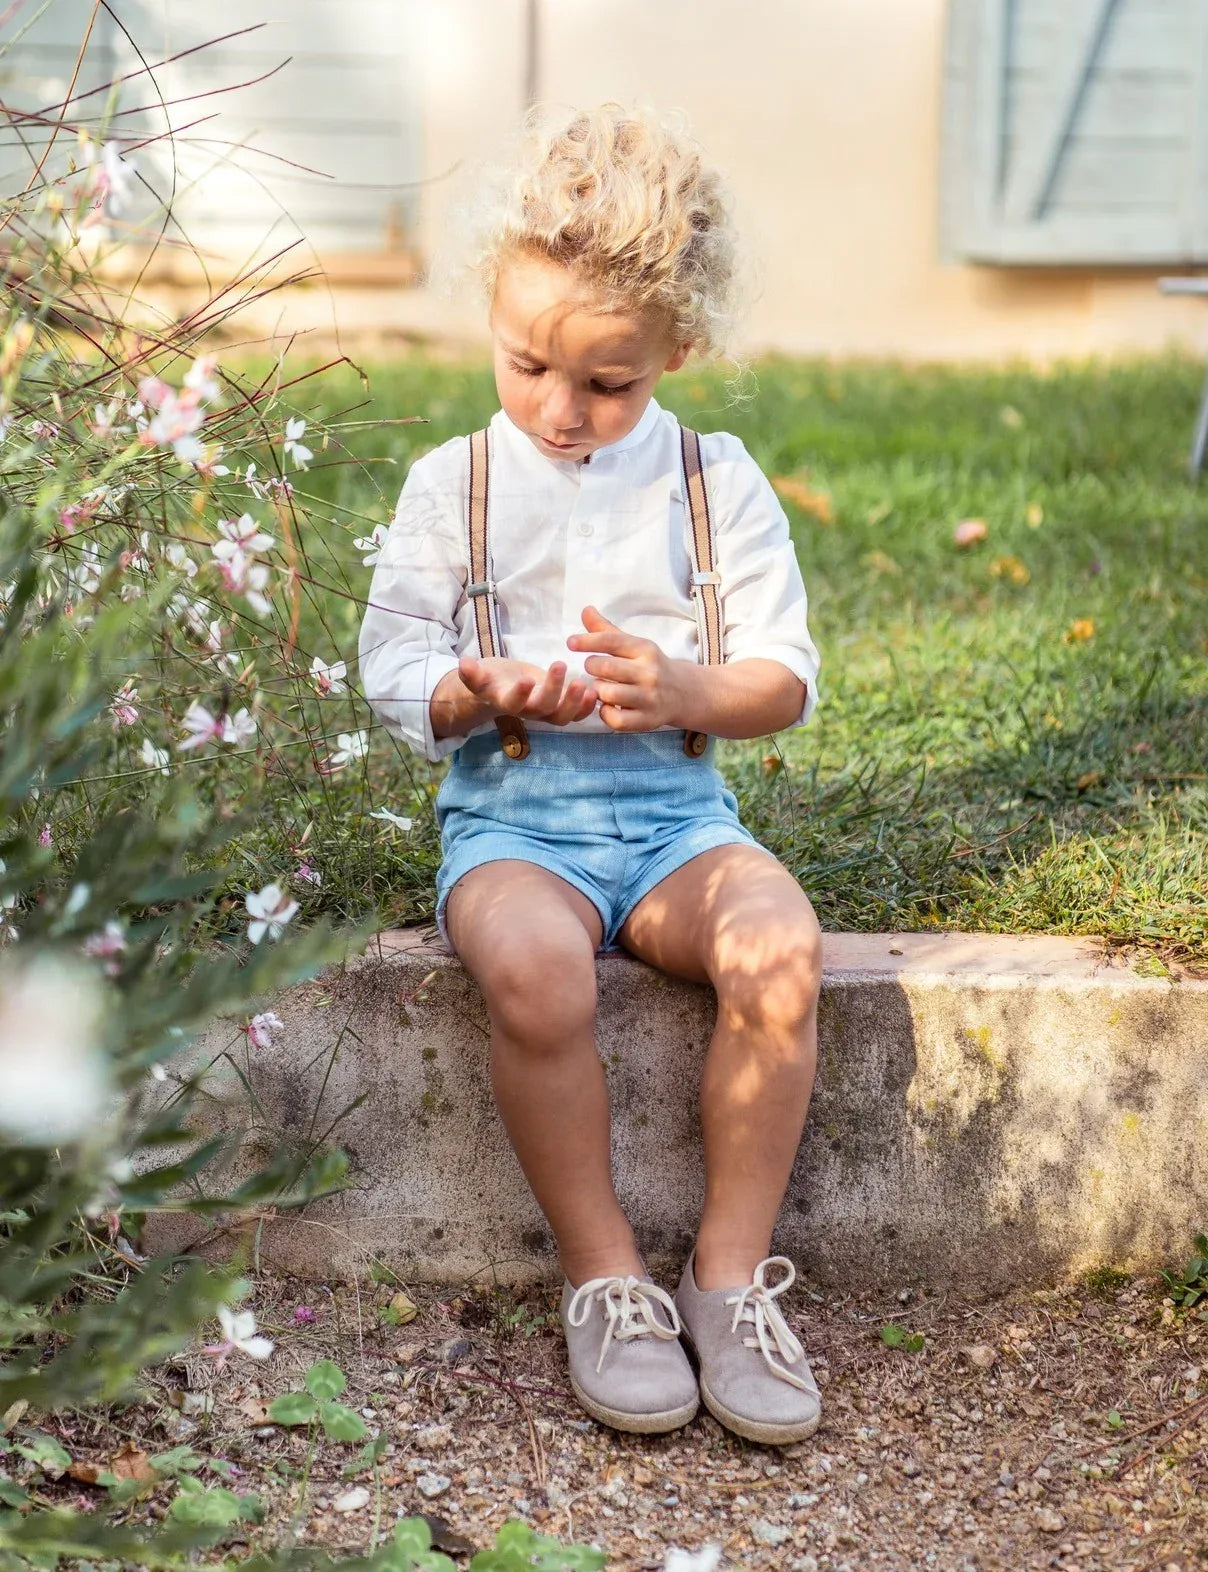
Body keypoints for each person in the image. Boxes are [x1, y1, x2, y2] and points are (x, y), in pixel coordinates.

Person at [359, 103, 824, 1446]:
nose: (562, 411)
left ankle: (728, 1278)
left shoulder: (710, 482)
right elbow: (395, 663)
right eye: (527, 366)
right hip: (514, 821)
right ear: (493, 320)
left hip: (680, 820)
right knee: (536, 969)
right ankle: (606, 1275)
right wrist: (472, 687)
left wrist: (687, 690)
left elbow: (781, 676)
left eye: (607, 385)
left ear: (677, 351)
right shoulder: (453, 484)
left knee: (781, 955)